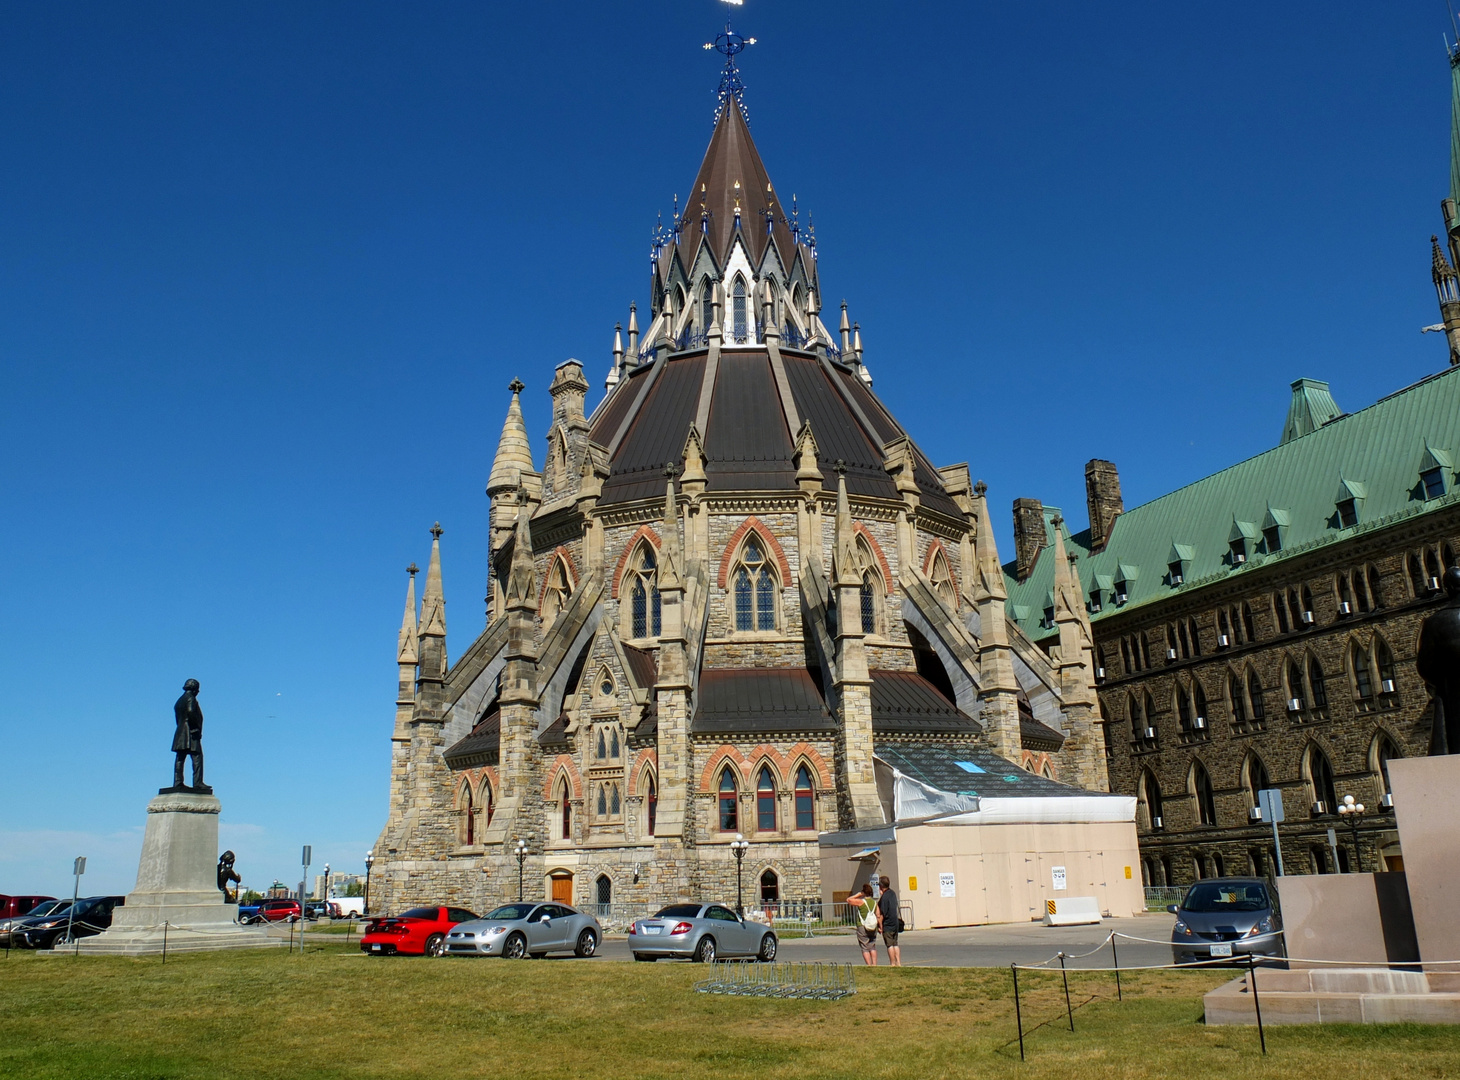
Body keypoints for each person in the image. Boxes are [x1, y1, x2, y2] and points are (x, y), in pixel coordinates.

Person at [847, 881, 879, 965]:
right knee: (872, 946)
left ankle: (869, 964)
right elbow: (878, 914)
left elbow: (849, 900)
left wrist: (858, 894)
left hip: (863, 925)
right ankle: (874, 964)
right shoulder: (874, 903)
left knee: (864, 947)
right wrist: (880, 926)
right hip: (873, 926)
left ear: (864, 892)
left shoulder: (861, 902)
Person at [876, 874, 901, 966]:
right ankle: (898, 962)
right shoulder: (892, 893)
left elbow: (882, 913)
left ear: (881, 886)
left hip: (888, 924)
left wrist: (880, 926)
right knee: (895, 944)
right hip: (895, 922)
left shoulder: (884, 897)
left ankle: (892, 962)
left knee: (889, 945)